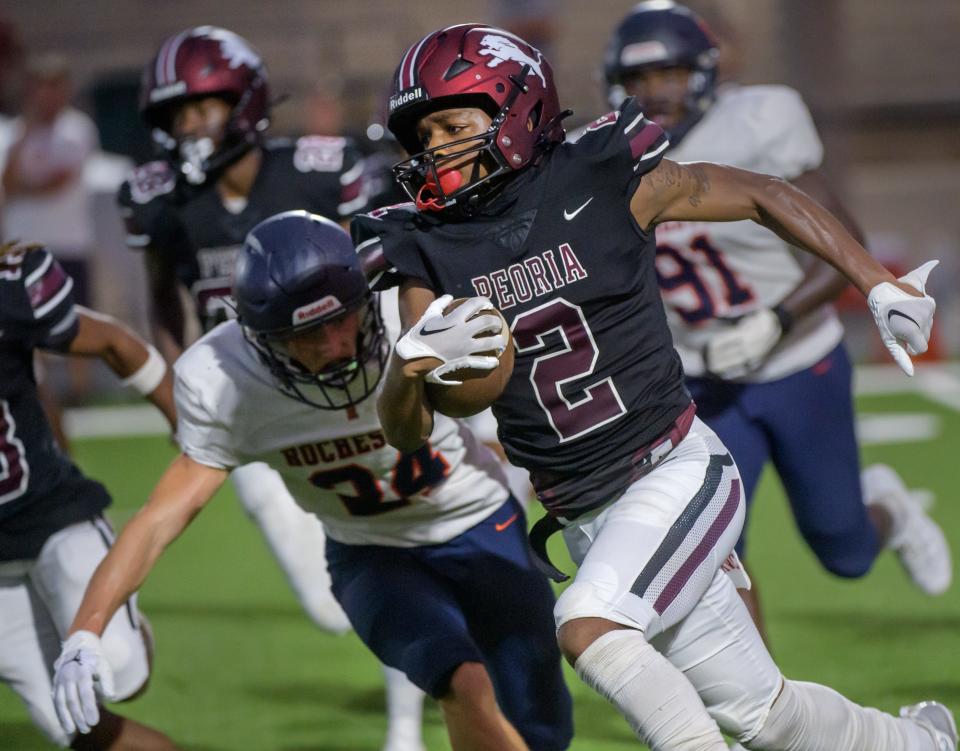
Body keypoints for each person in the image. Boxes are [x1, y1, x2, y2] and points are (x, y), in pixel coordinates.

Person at [362, 23, 956, 751]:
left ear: (516, 108)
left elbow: (762, 194)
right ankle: (922, 741)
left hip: (673, 465)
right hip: (580, 511)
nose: (437, 150)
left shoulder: (604, 173)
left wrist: (875, 281)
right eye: (424, 135)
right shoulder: (422, 245)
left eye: (454, 124)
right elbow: (412, 428)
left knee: (590, 627)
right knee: (764, 715)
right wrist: (408, 363)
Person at [51, 211, 574, 751]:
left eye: (341, 319)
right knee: (460, 680)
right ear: (261, 336)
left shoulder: (406, 310)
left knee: (541, 721)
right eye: (305, 335)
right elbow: (161, 517)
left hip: (481, 520)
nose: (334, 345)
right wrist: (87, 628)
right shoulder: (223, 378)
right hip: (371, 553)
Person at [600, 1, 951, 642]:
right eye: (638, 79)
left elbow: (846, 241)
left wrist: (776, 321)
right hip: (701, 382)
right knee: (716, 542)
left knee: (843, 552)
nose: (655, 93)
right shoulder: (605, 158)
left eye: (670, 74)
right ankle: (762, 708)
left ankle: (890, 514)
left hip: (796, 364)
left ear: (703, 72)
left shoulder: (757, 123)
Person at [117, 27, 426, 751]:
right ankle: (443, 644)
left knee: (391, 544)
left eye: (203, 108)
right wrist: (176, 399)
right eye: (177, 114)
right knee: (327, 606)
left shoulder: (322, 169)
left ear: (246, 101)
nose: (190, 127)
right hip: (252, 406)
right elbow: (165, 300)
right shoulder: (162, 197)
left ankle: (410, 721)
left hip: (342, 392)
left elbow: (378, 281)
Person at [0, 241, 177, 750]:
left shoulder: (12, 291)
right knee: (76, 725)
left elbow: (113, 341)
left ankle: (126, 623)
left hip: (52, 515)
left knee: (120, 671)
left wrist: (185, 424)